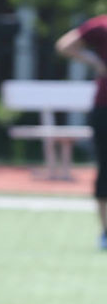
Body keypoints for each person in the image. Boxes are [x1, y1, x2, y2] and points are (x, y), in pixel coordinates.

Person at [54, 15, 107, 249]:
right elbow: (65, 45)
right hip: (105, 107)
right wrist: (96, 63)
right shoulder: (101, 26)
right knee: (106, 168)